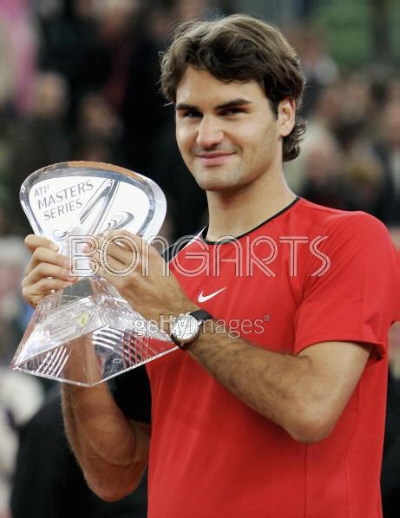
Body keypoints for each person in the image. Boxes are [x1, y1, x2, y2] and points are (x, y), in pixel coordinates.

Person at [20, 14, 397, 518]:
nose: (207, 134)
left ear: (284, 115)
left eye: (233, 110)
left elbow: (311, 408)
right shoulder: (161, 271)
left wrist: (178, 316)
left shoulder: (346, 239)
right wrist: (68, 323)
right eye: (191, 113)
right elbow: (113, 474)